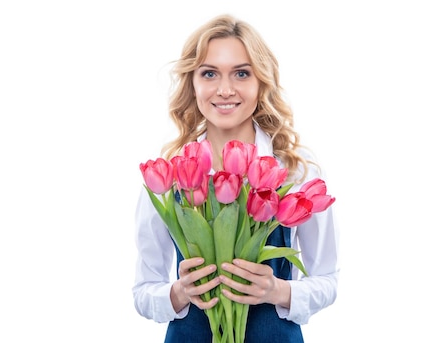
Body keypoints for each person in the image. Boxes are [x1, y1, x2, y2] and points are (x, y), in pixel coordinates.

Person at [132, 14, 339, 342]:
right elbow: (143, 291)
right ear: (193, 83)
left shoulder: (296, 169)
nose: (225, 90)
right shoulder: (172, 173)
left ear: (261, 81)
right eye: (209, 73)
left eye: (241, 73)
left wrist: (278, 290)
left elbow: (327, 280)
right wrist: (178, 293)